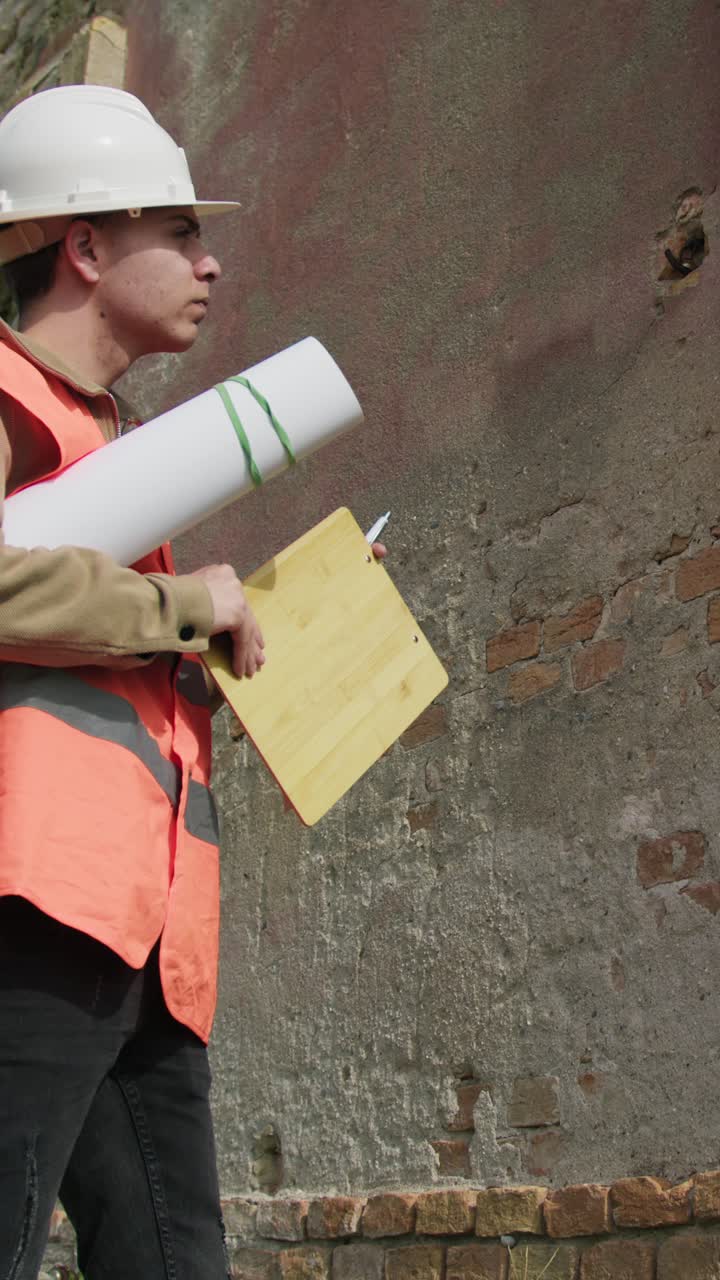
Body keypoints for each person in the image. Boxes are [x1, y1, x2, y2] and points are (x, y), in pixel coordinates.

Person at [0, 83, 381, 1280]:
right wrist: (178, 609)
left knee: (175, 1260)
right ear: (87, 244)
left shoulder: (117, 453)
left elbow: (95, 666)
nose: (211, 264)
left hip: (144, 933)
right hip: (31, 910)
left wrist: (234, 640)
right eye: (183, 233)